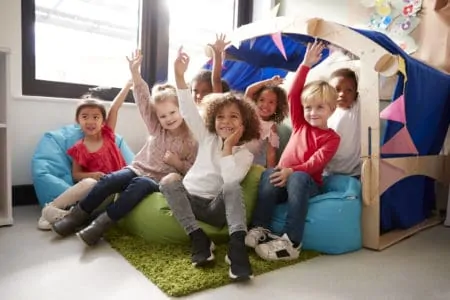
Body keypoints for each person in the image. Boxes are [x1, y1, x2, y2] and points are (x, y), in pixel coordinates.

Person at [51, 50, 198, 246]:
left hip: (156, 181)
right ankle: (75, 217)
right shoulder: (156, 127)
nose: (168, 119)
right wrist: (135, 74)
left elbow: (192, 170)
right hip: (136, 168)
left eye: (173, 113)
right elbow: (144, 101)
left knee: (139, 185)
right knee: (111, 179)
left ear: (182, 110)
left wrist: (177, 163)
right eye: (163, 116)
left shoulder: (192, 139)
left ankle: (99, 226)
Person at [159, 48, 261, 281]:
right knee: (168, 180)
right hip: (189, 201)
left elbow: (229, 182)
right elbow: (186, 107)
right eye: (220, 117)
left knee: (232, 186)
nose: (226, 122)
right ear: (213, 119)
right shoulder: (207, 137)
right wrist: (179, 75)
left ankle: (236, 249)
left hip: (216, 209)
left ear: (245, 123)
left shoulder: (245, 154)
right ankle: (198, 238)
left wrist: (228, 148)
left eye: (234, 117)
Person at [246, 40, 340, 261]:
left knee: (298, 176)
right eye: (308, 107)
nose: (312, 112)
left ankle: (292, 241)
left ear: (332, 109)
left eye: (320, 107)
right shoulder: (300, 123)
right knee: (269, 173)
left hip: (306, 185)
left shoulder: (332, 138)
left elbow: (314, 164)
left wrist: (290, 171)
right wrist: (305, 64)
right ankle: (261, 228)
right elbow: (293, 93)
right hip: (283, 180)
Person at [37, 81, 131, 230]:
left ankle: (66, 216)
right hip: (96, 191)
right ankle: (50, 209)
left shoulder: (108, 135)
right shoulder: (79, 148)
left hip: (115, 190)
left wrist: (128, 85)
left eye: (95, 117)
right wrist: (93, 175)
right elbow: (76, 175)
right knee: (89, 183)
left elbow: (114, 107)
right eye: (85, 116)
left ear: (102, 122)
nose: (90, 121)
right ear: (78, 120)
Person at [244, 75, 289, 167]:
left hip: (253, 165)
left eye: (271, 102)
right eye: (262, 100)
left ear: (277, 107)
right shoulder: (249, 113)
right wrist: (269, 82)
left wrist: (270, 174)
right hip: (235, 158)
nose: (265, 105)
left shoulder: (271, 127)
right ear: (255, 101)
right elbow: (249, 90)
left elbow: (271, 153)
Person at [325, 68, 361, 178]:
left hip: (353, 173)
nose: (342, 94)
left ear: (355, 95)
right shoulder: (324, 111)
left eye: (349, 90)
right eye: (337, 89)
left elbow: (369, 81)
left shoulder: (356, 108)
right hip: (328, 172)